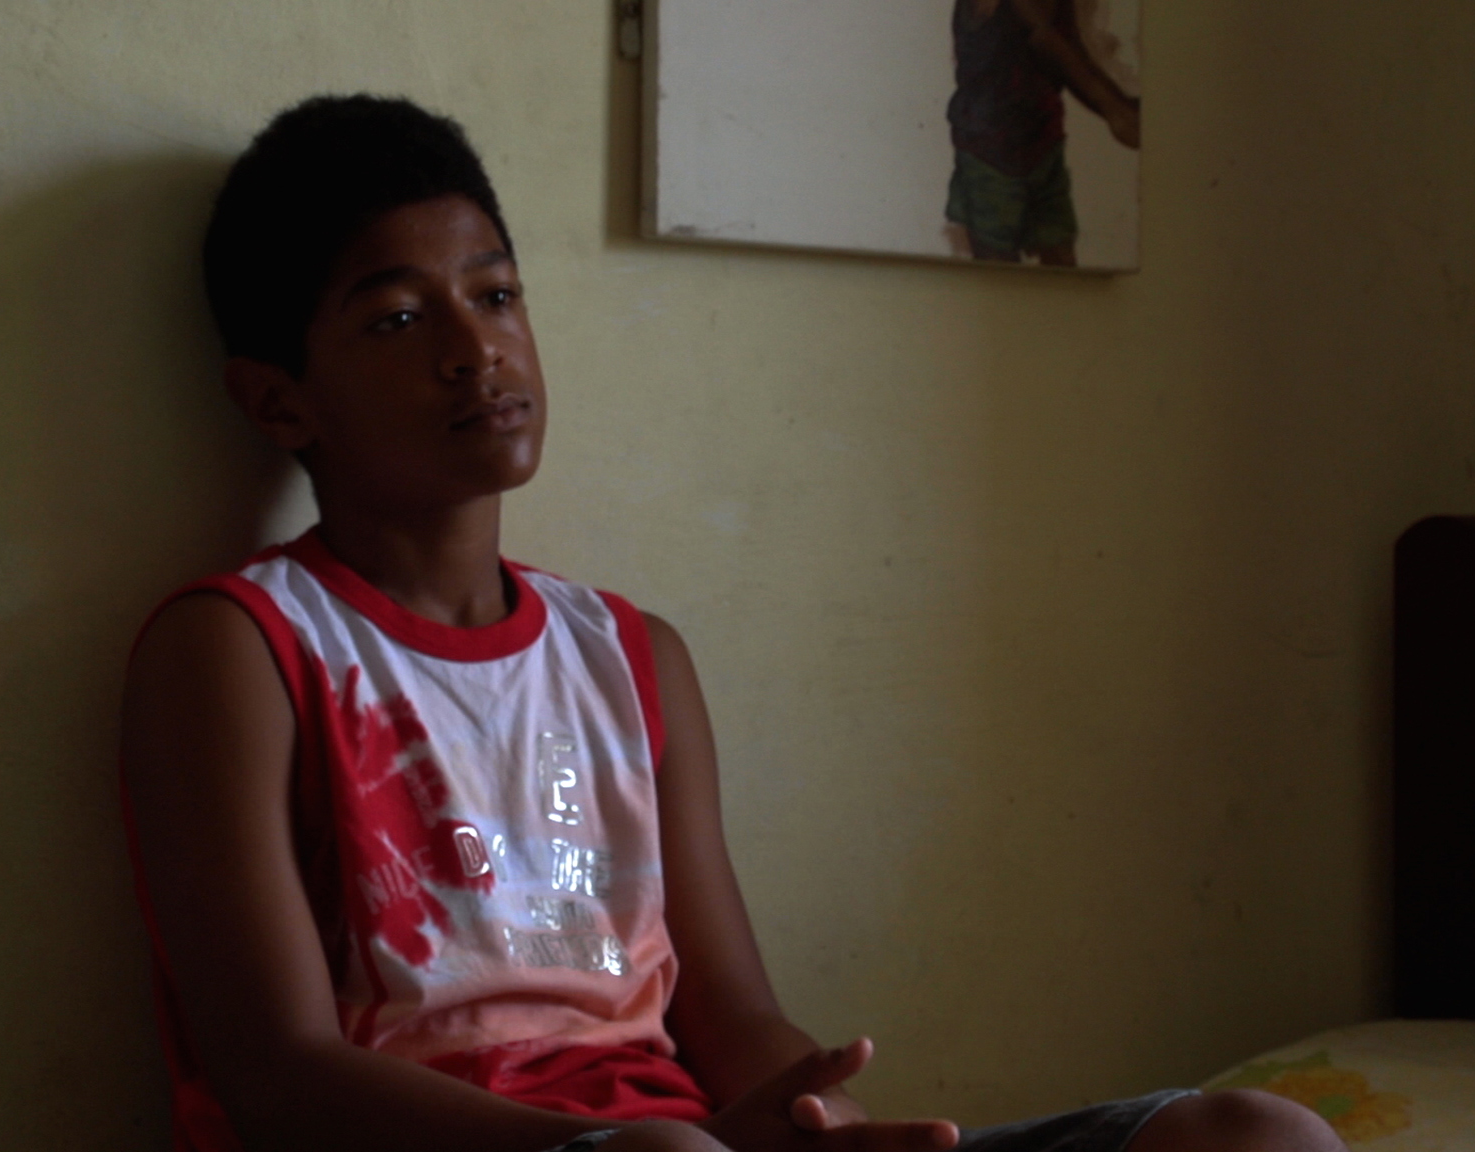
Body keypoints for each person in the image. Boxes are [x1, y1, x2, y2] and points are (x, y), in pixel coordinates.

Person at [120, 94, 1346, 1152]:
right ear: (277, 402)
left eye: (494, 294)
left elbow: (733, 1017)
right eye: (397, 318)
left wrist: (814, 1121)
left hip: (684, 1143)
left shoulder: (628, 656)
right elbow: (276, 1075)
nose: (472, 348)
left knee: (1255, 1136)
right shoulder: (241, 650)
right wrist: (618, 1147)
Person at [946, 0, 1142, 266]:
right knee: (997, 265)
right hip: (992, 158)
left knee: (1060, 255)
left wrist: (1117, 109)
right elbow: (1049, 41)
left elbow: (1067, 50)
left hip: (1044, 147)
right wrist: (1114, 110)